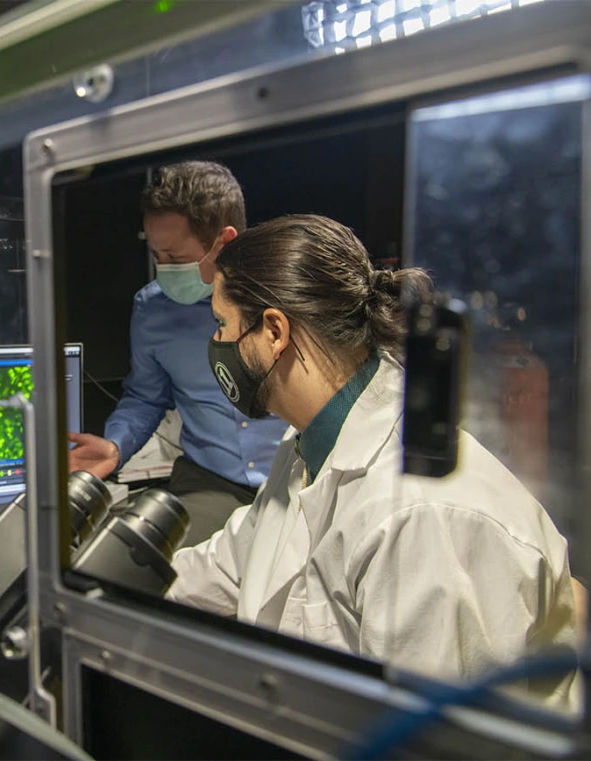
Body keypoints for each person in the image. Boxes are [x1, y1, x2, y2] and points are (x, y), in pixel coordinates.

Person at [168, 214, 577, 704]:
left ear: (274, 331)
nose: (216, 345)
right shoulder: (308, 444)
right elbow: (225, 568)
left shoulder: (421, 516)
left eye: (222, 325)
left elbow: (424, 741)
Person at [68, 161, 287, 543]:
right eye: (156, 256)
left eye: (175, 258)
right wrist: (117, 444)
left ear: (226, 242)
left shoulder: (290, 296)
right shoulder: (152, 310)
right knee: (142, 561)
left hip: (297, 476)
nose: (163, 270)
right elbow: (145, 396)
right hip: (211, 483)